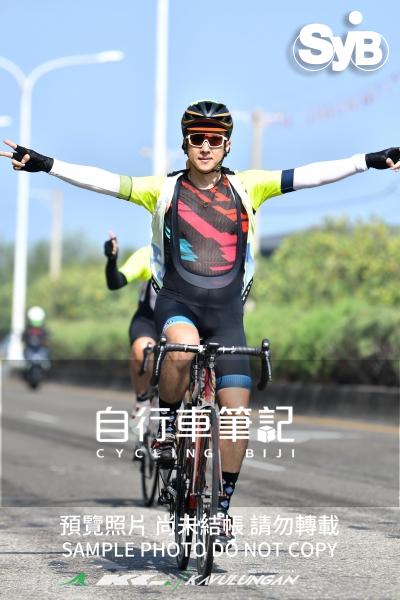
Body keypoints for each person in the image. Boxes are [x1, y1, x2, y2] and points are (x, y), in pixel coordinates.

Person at [2, 100, 399, 546]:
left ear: (227, 145)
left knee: (236, 417)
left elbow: (310, 174)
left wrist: (368, 160)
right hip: (178, 305)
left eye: (215, 139)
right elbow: (105, 181)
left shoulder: (250, 186)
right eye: (197, 139)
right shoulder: (161, 189)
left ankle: (222, 506)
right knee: (182, 349)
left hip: (228, 316)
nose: (205, 147)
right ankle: (169, 426)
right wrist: (47, 164)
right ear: (185, 144)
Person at [103, 232, 157, 441]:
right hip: (150, 321)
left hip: (186, 324)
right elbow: (115, 282)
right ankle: (142, 400)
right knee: (142, 349)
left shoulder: (203, 255)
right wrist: (112, 260)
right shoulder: (149, 255)